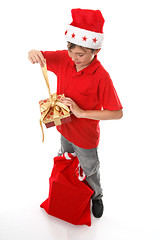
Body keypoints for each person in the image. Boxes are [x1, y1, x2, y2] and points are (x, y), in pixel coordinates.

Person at [28, 8, 123, 218]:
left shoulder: (102, 77)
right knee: (67, 162)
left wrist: (81, 113)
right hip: (64, 130)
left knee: (90, 170)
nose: (74, 58)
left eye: (80, 54)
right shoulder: (66, 58)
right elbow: (40, 56)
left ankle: (96, 195)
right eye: (71, 51)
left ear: (95, 51)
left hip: (86, 138)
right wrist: (33, 52)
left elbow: (117, 113)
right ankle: (70, 192)